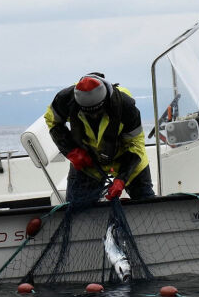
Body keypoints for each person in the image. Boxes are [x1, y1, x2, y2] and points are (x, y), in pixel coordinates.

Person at [45, 73, 154, 202]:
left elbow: (135, 145)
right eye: (88, 113)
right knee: (77, 210)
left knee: (147, 202)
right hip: (88, 161)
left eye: (98, 112)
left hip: (126, 157)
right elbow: (53, 122)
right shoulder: (65, 99)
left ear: (106, 101)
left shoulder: (126, 106)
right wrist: (71, 151)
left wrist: (122, 178)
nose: (94, 116)